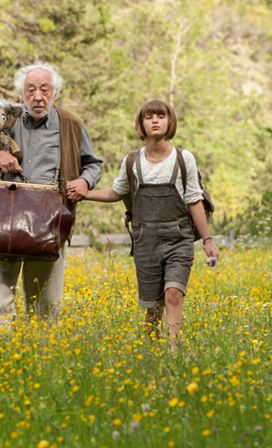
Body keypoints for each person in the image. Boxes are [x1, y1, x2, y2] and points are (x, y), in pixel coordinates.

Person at [0, 62, 103, 322]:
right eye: (31, 89)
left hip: (49, 221)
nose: (38, 96)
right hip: (2, 217)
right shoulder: (1, 115)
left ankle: (41, 360)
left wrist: (84, 182)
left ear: (54, 92)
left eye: (44, 89)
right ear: (21, 93)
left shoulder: (71, 123)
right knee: (1, 301)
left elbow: (93, 164)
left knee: (45, 306)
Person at [82, 98, 218, 344]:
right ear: (141, 124)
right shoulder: (132, 161)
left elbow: (194, 200)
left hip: (179, 238)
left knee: (174, 293)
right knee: (152, 307)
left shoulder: (183, 158)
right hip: (145, 241)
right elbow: (116, 193)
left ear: (169, 122)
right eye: (149, 117)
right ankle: (151, 349)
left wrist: (207, 239)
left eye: (161, 116)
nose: (155, 120)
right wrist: (85, 193)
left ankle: (174, 348)